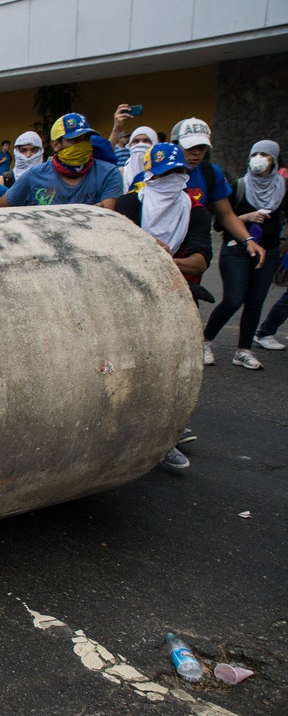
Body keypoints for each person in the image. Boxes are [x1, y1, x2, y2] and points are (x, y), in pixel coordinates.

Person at [114, 143, 213, 470]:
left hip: (175, 298)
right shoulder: (130, 204)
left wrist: (162, 257)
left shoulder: (194, 211)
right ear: (150, 176)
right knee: (128, 366)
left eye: (177, 173)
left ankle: (166, 437)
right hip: (128, 297)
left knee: (173, 369)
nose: (170, 180)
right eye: (163, 174)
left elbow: (199, 263)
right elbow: (113, 249)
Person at [202, 140, 285, 370]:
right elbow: (219, 224)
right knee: (233, 299)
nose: (258, 159)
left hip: (268, 252)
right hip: (236, 249)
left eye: (265, 155)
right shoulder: (238, 186)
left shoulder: (282, 188)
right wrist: (246, 218)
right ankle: (205, 341)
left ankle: (243, 351)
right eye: (254, 154)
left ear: (275, 160)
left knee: (255, 302)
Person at [0, 113, 123, 209]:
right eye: (74, 140)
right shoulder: (34, 176)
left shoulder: (108, 174)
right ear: (56, 145)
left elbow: (106, 216)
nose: (82, 145)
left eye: (86, 138)